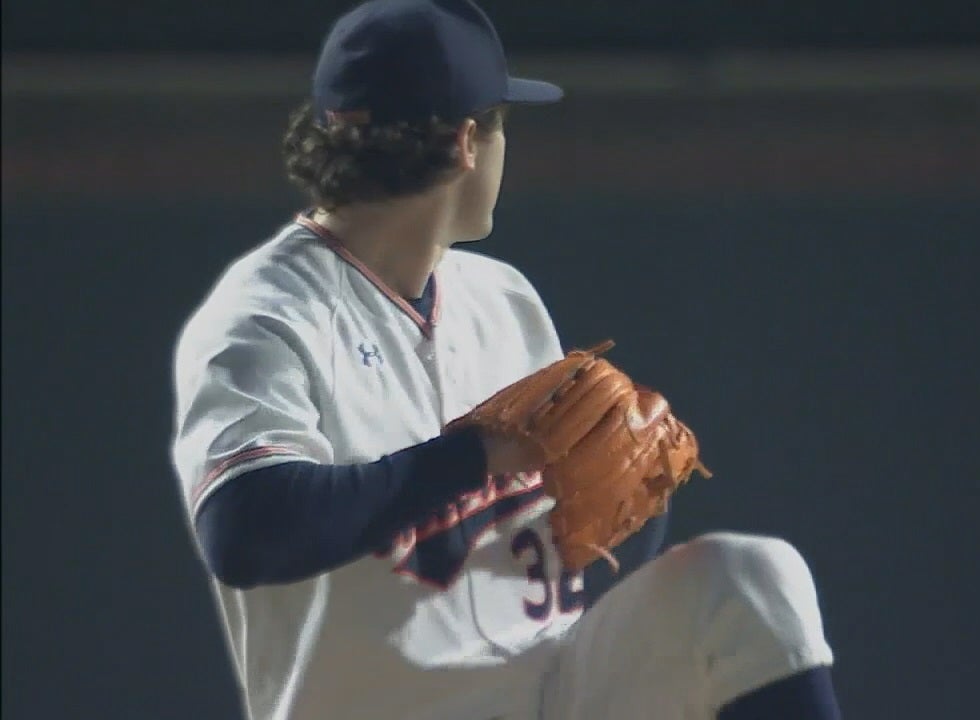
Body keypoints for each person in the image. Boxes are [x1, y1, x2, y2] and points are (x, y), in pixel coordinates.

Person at [169, 1, 841, 718]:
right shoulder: (269, 313)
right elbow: (242, 530)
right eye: (501, 129)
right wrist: (475, 455)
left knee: (746, 580)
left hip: (544, 689)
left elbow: (566, 545)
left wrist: (632, 502)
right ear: (466, 141)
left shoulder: (504, 299)